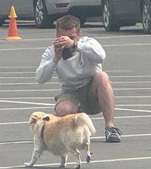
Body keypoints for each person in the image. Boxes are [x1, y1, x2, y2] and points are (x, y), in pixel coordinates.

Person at [35, 14, 122, 143]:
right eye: (61, 38)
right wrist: (55, 60)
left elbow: (100, 56)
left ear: (79, 35)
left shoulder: (88, 43)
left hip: (93, 91)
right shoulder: (51, 51)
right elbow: (40, 78)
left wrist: (75, 45)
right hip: (71, 92)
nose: (66, 42)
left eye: (71, 37)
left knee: (102, 77)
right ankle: (74, 133)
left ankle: (110, 127)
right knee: (62, 109)